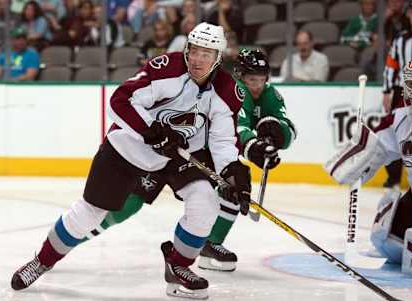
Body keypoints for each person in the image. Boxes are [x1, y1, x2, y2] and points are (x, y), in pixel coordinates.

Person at [10, 22, 251, 300]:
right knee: (89, 212)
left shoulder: (226, 90)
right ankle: (42, 260)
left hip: (178, 155)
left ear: (218, 57)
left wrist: (232, 172)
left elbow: (222, 140)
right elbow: (120, 100)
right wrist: (151, 131)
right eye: (194, 51)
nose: (197, 59)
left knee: (205, 203)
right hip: (129, 147)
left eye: (206, 54)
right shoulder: (167, 69)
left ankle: (178, 266)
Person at [82, 49, 296, 273]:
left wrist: (277, 136)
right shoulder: (233, 90)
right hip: (169, 148)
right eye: (252, 79)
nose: (257, 85)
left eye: (262, 80)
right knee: (130, 204)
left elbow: (284, 126)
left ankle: (208, 245)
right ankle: (74, 236)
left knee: (231, 187)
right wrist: (254, 147)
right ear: (239, 75)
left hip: (197, 155)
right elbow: (238, 130)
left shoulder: (270, 95)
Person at [325, 54, 412, 277]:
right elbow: (376, 146)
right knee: (384, 235)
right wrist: (355, 160)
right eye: (411, 83)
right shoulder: (401, 118)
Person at [382, 0, 412, 188]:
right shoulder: (400, 40)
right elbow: (391, 65)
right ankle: (394, 178)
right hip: (401, 93)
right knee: (393, 133)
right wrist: (387, 91)